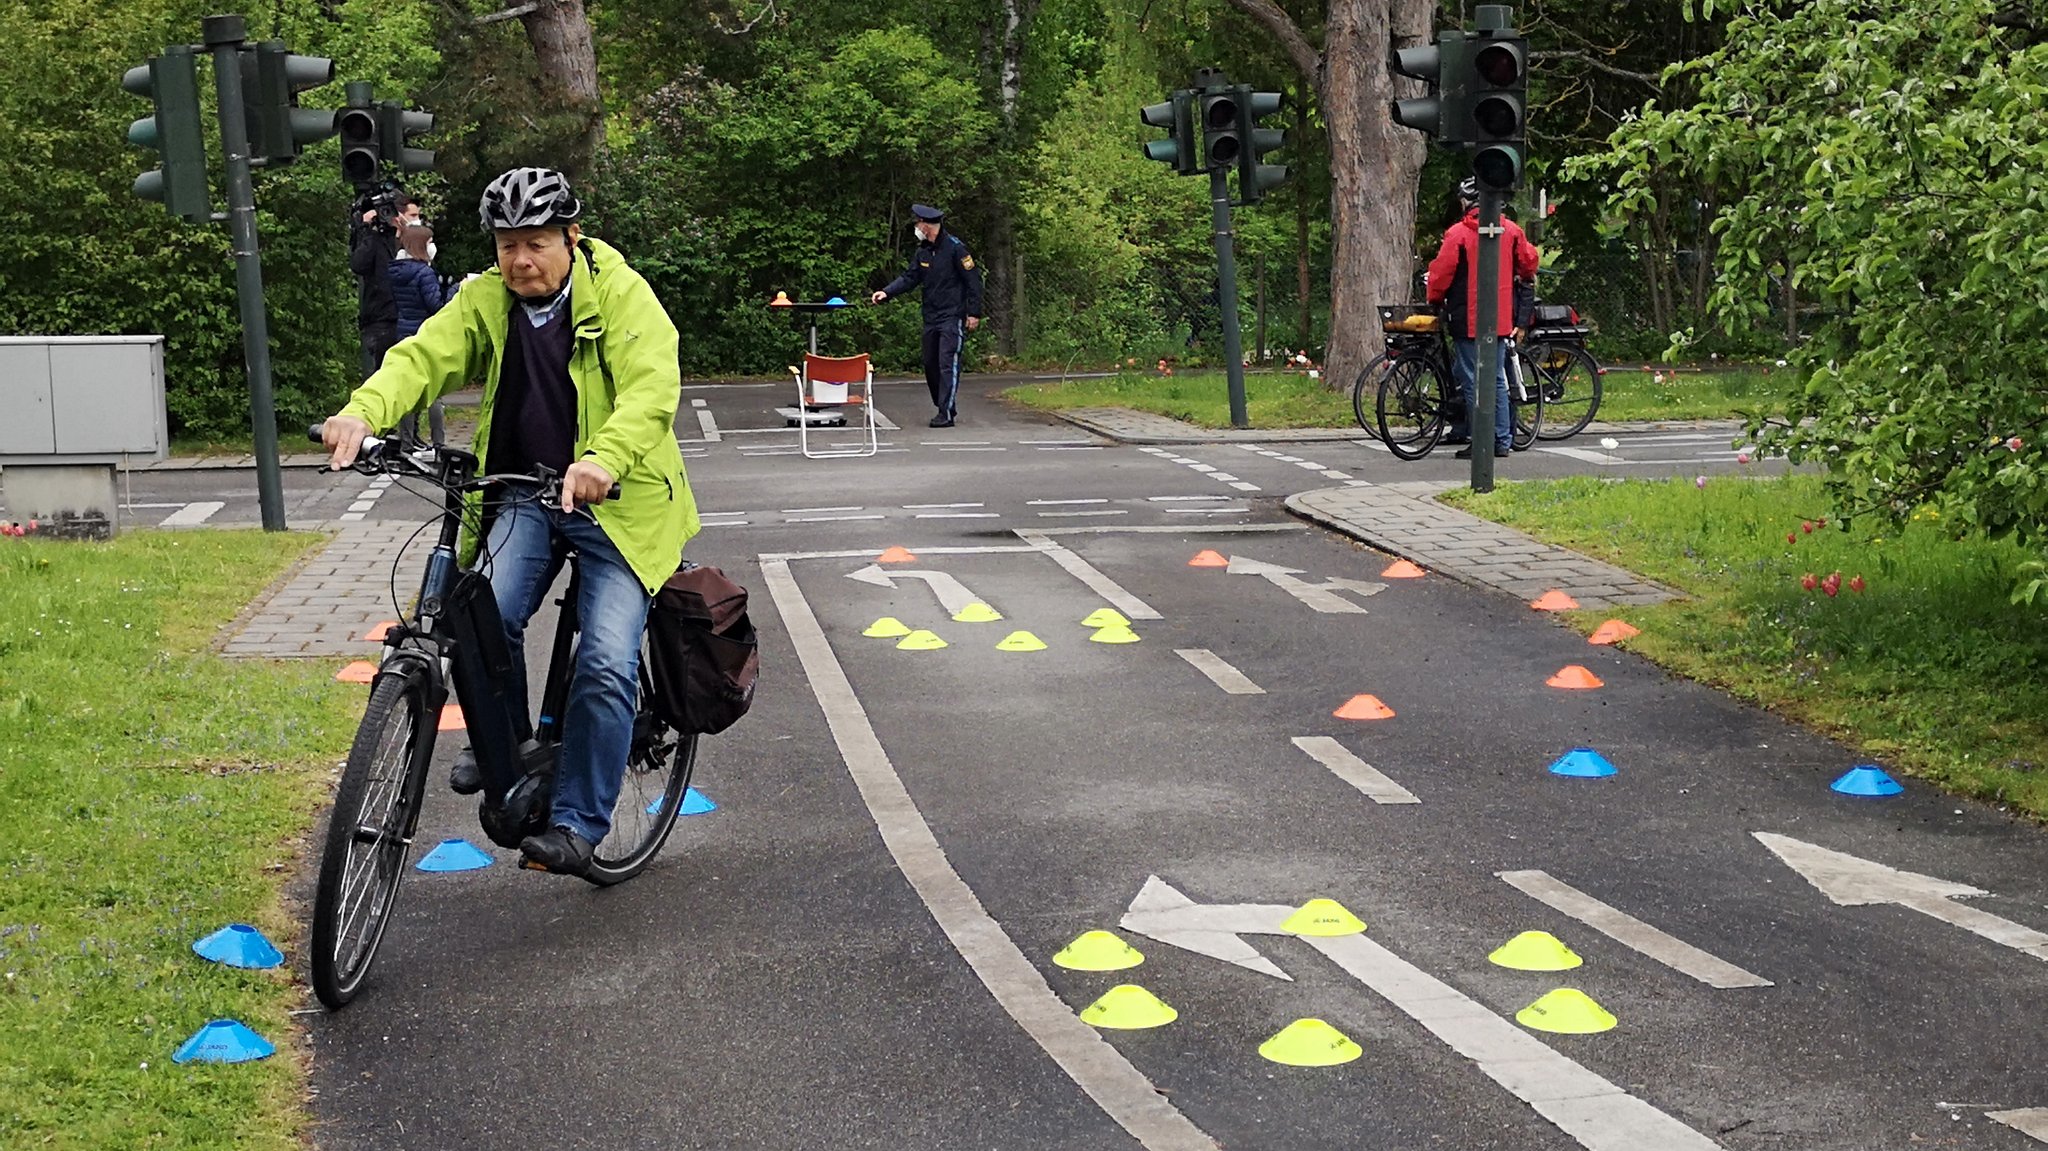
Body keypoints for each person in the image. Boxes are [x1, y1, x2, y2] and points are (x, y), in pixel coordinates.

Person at [320, 167, 701, 877]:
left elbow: (653, 386)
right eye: (506, 245)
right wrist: (363, 412)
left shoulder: (619, 292)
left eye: (535, 243)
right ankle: (508, 745)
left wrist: (604, 458)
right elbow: (422, 356)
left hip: (621, 503)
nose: (519, 260)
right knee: (481, 614)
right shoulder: (487, 299)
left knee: (606, 659)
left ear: (571, 238)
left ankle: (579, 822)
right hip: (527, 489)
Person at [1426, 177, 1541, 459]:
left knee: (1471, 378)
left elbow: (1441, 274)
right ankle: (1502, 438)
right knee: (1496, 378)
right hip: (1500, 316)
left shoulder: (1457, 234)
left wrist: (1434, 299)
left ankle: (1483, 439)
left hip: (1466, 316)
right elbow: (1529, 262)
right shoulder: (1511, 230)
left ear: (1466, 202)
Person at [870, 203, 983, 427]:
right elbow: (910, 277)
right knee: (930, 364)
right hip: (931, 317)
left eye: (918, 223)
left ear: (927, 225)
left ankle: (946, 413)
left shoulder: (955, 248)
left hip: (952, 317)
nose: (916, 226)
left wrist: (974, 313)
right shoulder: (923, 251)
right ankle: (944, 404)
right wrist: (887, 292)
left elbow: (973, 281)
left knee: (946, 363)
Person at [388, 223, 448, 448]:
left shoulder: (396, 270)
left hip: (404, 330)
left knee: (408, 388)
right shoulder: (424, 272)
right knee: (433, 391)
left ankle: (406, 440)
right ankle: (439, 442)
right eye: (430, 242)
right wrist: (454, 290)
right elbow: (436, 305)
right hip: (425, 332)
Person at [349, 197, 400, 382]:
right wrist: (365, 230)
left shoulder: (414, 242)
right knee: (383, 379)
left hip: (405, 320)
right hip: (381, 320)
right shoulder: (376, 240)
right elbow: (358, 264)